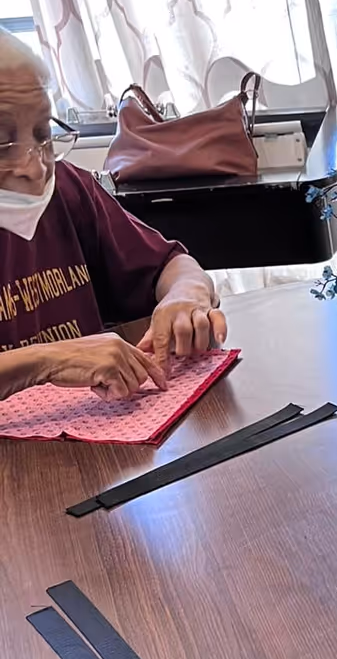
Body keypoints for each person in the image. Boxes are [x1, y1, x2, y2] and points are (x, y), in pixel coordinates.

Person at [0, 31, 225, 403]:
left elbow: (171, 264)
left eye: (43, 135)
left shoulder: (70, 190)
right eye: (3, 144)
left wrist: (186, 296)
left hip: (96, 433)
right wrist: (48, 361)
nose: (35, 167)